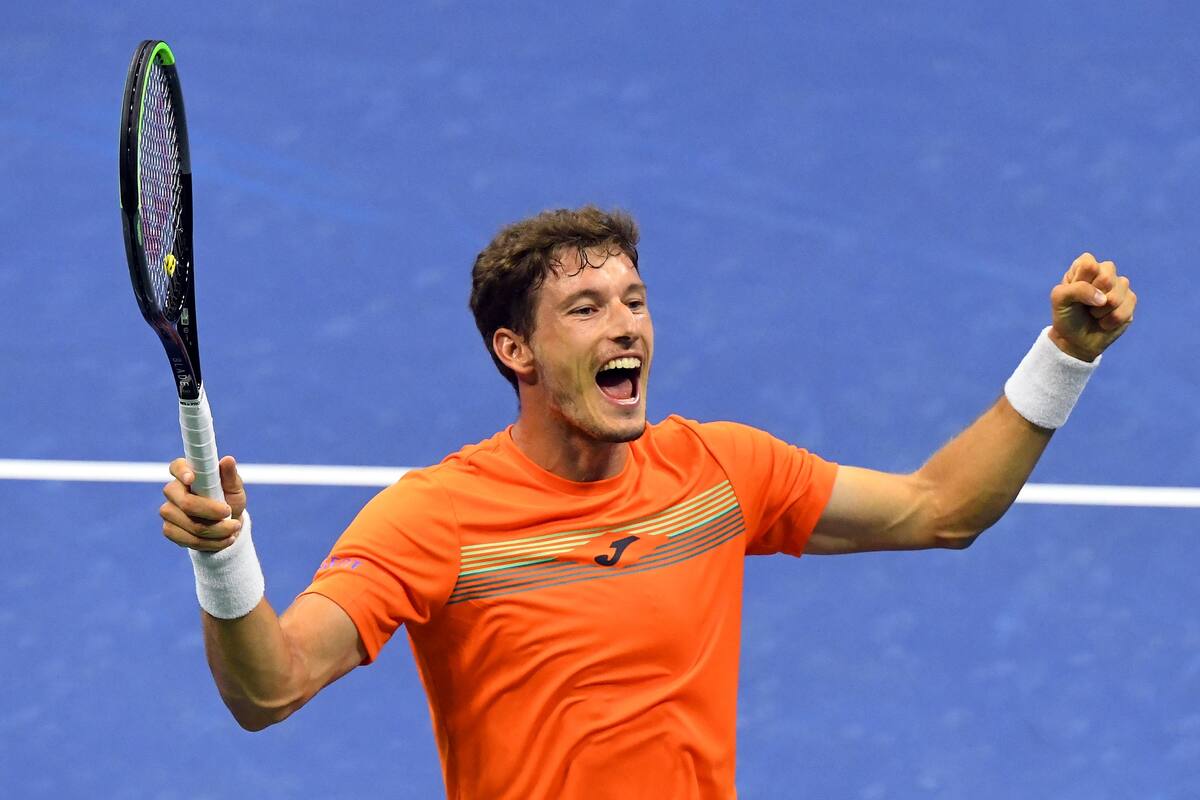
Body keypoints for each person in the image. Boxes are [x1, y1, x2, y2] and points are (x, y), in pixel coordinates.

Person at [159, 206, 1136, 799]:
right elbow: (271, 688)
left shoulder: (719, 472)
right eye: (586, 309)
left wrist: (1064, 356)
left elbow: (941, 507)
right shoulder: (435, 520)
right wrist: (224, 559)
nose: (625, 325)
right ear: (516, 350)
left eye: (634, 300)